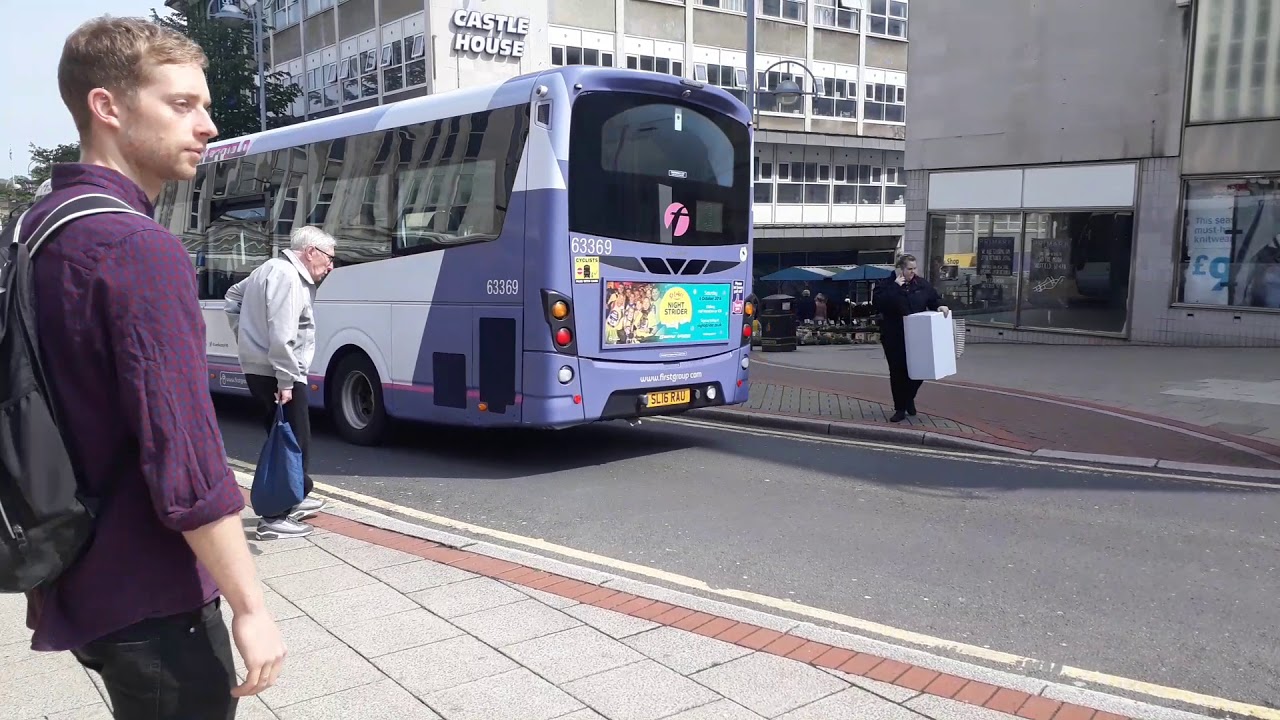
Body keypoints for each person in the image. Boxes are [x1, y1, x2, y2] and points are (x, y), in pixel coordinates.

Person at [22, 15, 286, 718]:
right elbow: (187, 461)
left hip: (73, 571)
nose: (207, 125)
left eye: (204, 105)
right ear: (107, 107)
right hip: (152, 590)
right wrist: (250, 604)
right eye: (181, 104)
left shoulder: (33, 230)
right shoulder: (136, 248)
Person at [224, 225, 335, 540]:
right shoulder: (287, 276)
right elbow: (283, 332)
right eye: (328, 258)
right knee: (294, 442)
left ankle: (297, 492)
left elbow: (232, 297)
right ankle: (274, 518)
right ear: (310, 251)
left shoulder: (268, 269)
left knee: (288, 438)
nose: (331, 266)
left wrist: (245, 338)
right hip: (279, 372)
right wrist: (286, 378)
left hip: (263, 368)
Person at [873, 253, 950, 423]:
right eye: (909, 269)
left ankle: (909, 398)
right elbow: (879, 304)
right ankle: (900, 408)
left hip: (918, 334)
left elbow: (933, 299)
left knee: (920, 369)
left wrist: (940, 306)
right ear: (900, 269)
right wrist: (895, 287)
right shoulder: (885, 284)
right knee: (898, 372)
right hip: (895, 335)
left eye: (915, 268)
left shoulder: (921, 284)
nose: (913, 272)